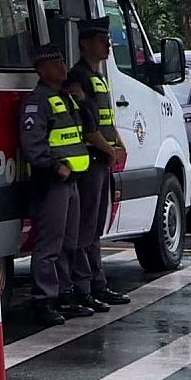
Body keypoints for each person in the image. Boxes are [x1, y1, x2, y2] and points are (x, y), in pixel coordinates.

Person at [19, 44, 95, 326]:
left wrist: (83, 102)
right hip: (53, 181)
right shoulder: (37, 101)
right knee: (50, 244)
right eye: (55, 64)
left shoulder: (65, 97)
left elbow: (87, 128)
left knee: (68, 243)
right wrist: (55, 167)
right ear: (41, 70)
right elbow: (32, 143)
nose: (63, 68)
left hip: (72, 180)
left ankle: (64, 294)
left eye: (63, 61)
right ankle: (43, 300)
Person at [66, 17, 132, 309]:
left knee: (95, 228)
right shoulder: (78, 77)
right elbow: (88, 126)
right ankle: (84, 287)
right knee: (86, 228)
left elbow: (105, 119)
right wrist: (109, 149)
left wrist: (119, 143)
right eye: (102, 40)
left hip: (102, 158)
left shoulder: (98, 76)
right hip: (91, 160)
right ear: (85, 44)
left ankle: (98, 284)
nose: (108, 45)